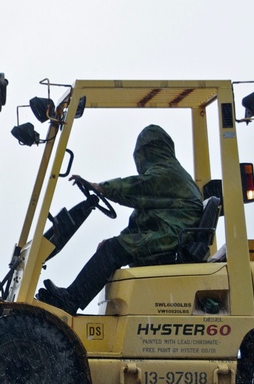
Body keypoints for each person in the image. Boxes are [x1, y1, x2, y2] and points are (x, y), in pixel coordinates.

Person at [38, 124, 203, 315]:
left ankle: (71, 299)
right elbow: (141, 221)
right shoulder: (163, 180)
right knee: (113, 247)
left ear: (151, 151)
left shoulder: (168, 174)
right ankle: (71, 296)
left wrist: (102, 188)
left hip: (173, 238)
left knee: (113, 251)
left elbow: (136, 187)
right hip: (168, 234)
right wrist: (117, 239)